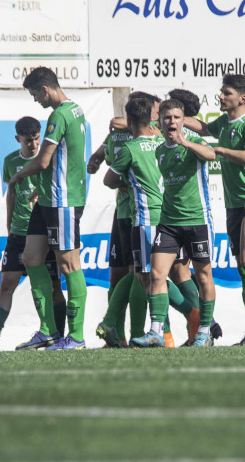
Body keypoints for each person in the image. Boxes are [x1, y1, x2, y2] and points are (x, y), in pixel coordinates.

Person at [184, 75, 245, 346]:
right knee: (242, 269)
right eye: (221, 92)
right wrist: (173, 114)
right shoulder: (224, 122)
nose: (220, 96)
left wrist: (219, 150)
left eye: (226, 93)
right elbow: (204, 126)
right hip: (233, 204)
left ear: (242, 98)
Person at [8, 67, 88, 350]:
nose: (35, 101)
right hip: (48, 200)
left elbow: (43, 161)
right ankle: (48, 330)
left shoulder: (59, 115)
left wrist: (18, 176)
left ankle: (76, 337)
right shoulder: (76, 110)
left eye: (34, 95)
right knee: (31, 258)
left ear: (45, 89)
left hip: (62, 200)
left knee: (69, 265)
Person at [0, 117, 66, 351]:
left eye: (36, 139)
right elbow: (11, 191)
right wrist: (10, 224)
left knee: (54, 285)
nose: (33, 145)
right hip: (19, 232)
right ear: (18, 139)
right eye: (28, 141)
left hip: (44, 232)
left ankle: (59, 336)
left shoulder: (48, 156)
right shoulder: (10, 161)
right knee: (6, 284)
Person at [131, 99, 217, 348]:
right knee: (156, 274)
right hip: (168, 222)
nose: (172, 122)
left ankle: (203, 330)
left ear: (183, 121)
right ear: (159, 122)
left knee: (203, 276)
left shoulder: (193, 143)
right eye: (167, 118)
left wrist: (185, 142)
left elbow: (211, 154)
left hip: (197, 220)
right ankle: (156, 331)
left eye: (177, 118)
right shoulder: (159, 150)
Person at [88, 92, 161, 347]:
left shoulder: (144, 140)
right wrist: (97, 156)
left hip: (138, 214)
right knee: (124, 273)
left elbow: (110, 180)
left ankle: (136, 331)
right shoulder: (158, 140)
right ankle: (116, 334)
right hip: (126, 214)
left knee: (144, 273)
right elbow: (110, 133)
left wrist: (126, 181)